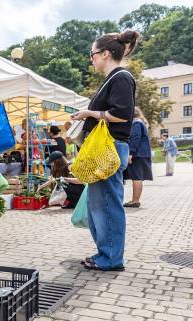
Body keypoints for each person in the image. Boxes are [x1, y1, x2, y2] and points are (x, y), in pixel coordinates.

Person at [71, 29, 140, 272]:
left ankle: (111, 257)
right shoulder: (116, 78)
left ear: (106, 53)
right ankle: (106, 253)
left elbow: (121, 115)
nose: (92, 59)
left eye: (93, 54)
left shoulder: (120, 77)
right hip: (107, 149)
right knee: (100, 206)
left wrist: (89, 113)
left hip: (110, 148)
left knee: (108, 205)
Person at [123, 107, 153, 207]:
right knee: (137, 177)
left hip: (137, 154)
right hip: (141, 153)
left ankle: (135, 201)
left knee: (136, 177)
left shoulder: (136, 123)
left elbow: (135, 138)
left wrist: (130, 153)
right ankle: (135, 200)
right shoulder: (140, 122)